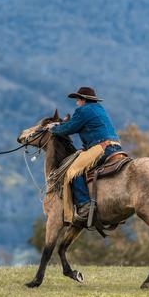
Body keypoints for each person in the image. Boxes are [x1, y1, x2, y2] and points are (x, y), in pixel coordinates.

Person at [44, 86, 122, 223]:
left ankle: (84, 204)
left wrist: (53, 129)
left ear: (83, 100)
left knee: (72, 170)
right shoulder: (98, 109)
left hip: (101, 147)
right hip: (115, 146)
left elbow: (69, 128)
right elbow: (75, 123)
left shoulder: (83, 110)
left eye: (77, 100)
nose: (76, 103)